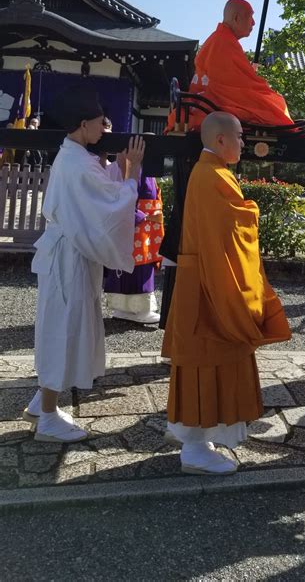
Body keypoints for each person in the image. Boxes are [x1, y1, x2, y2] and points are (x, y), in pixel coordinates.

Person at [162, 111, 291, 474]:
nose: (243, 143)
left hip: (203, 279)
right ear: (220, 140)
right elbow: (235, 231)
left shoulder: (209, 173)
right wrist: (251, 211)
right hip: (210, 285)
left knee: (206, 360)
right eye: (238, 136)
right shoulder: (213, 176)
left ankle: (193, 434)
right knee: (209, 356)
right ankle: (195, 447)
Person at [25, 87, 145, 443]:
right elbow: (111, 207)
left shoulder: (75, 156)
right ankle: (47, 416)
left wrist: (122, 169)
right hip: (68, 258)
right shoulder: (77, 162)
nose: (103, 128)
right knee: (63, 329)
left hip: (67, 254)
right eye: (98, 122)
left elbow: (101, 193)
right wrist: (133, 172)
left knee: (63, 326)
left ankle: (40, 402)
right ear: (83, 124)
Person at [168, 0, 294, 130]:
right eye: (250, 16)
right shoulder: (223, 42)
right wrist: (255, 81)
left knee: (273, 101)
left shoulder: (219, 38)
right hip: (215, 103)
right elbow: (234, 87)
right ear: (236, 18)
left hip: (208, 100)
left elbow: (234, 80)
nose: (254, 22)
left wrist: (250, 75)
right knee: (274, 105)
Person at [104, 168, 164, 325]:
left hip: (145, 224)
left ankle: (125, 309)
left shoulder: (141, 169)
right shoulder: (132, 168)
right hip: (139, 224)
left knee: (139, 263)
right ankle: (139, 309)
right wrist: (141, 216)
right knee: (138, 264)